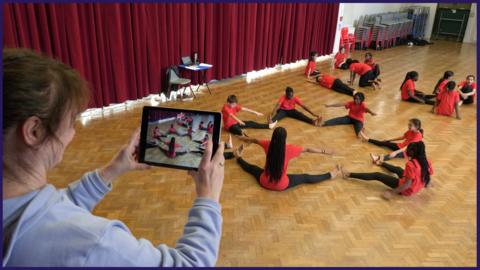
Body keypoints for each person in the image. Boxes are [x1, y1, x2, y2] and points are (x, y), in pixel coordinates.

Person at [2, 48, 225, 267]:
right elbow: (192, 263)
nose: (73, 133)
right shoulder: (92, 243)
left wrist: (111, 170)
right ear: (34, 131)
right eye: (70, 122)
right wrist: (208, 196)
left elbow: (42, 213)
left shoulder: (15, 208)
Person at [233, 127, 339, 191]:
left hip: (264, 182)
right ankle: (331, 175)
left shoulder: (268, 144)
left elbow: (255, 140)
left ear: (273, 136)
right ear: (285, 138)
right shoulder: (289, 149)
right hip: (281, 185)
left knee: (252, 168)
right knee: (305, 177)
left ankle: (238, 157)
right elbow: (307, 149)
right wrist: (324, 151)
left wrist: (243, 138)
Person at [340, 141, 433, 200]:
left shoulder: (410, 164)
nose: (406, 152)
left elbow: (407, 184)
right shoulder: (426, 161)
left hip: (407, 189)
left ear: (413, 153)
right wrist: (427, 183)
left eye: (408, 151)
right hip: (416, 187)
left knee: (377, 175)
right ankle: (380, 162)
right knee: (398, 169)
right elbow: (428, 176)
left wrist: (392, 192)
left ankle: (348, 174)